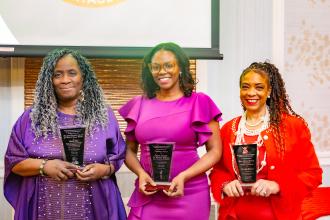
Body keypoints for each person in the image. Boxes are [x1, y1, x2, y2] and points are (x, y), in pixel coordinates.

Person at [4, 48, 127, 220]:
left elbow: (118, 155)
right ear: (49, 80)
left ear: (83, 77)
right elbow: (14, 161)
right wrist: (44, 166)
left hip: (94, 209)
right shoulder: (30, 119)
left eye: (72, 73)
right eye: (57, 74)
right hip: (44, 209)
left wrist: (104, 170)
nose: (65, 80)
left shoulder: (103, 117)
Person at [119, 42, 223, 220]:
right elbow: (128, 150)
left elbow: (215, 151)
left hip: (190, 193)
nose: (162, 71)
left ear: (181, 67)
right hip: (149, 194)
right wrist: (141, 173)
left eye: (168, 65)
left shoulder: (200, 102)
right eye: (156, 67)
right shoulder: (138, 104)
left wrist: (184, 176)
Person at [210, 61, 323, 220]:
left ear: (269, 91)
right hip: (235, 215)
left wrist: (278, 185)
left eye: (259, 87)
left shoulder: (293, 127)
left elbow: (313, 174)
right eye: (245, 86)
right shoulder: (228, 129)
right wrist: (225, 185)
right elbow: (218, 171)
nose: (251, 93)